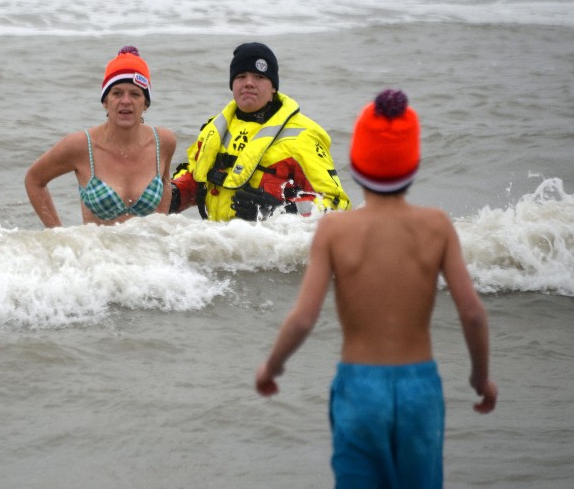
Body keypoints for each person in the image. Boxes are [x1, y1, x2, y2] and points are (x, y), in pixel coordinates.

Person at [254, 89, 497, 488]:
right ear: (414, 163)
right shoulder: (436, 226)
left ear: (355, 164)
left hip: (359, 389)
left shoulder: (335, 229)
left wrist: (272, 367)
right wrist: (480, 379)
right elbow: (472, 314)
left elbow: (303, 319)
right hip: (420, 389)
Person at [168, 42, 350, 221]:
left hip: (273, 248)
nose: (249, 83)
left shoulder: (303, 135)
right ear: (232, 84)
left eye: (259, 77)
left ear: (273, 87)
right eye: (241, 76)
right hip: (220, 245)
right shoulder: (214, 129)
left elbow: (337, 205)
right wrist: (171, 194)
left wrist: (280, 211)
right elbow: (195, 179)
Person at [25, 46, 177, 227]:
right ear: (106, 101)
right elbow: (34, 180)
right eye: (117, 93)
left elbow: (165, 182)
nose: (126, 101)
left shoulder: (164, 142)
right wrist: (58, 234)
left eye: (135, 94)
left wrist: (162, 229)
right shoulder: (81, 145)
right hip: (97, 254)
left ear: (146, 103)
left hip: (146, 254)